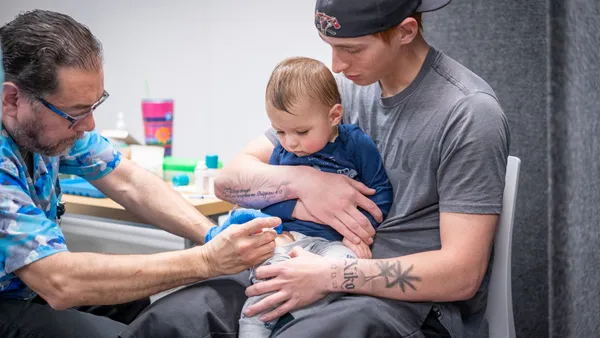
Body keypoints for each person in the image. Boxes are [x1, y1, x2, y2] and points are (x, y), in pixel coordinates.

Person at [123, 0, 510, 337]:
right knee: (173, 319)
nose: (337, 66)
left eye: (351, 49)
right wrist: (303, 181)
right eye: (331, 48)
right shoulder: (343, 89)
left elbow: (462, 274)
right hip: (299, 260)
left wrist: (328, 276)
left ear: (406, 31)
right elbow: (229, 181)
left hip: (407, 305)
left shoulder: (469, 113)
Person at [0, 10, 280, 338]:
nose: (89, 125)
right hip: (13, 298)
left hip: (31, 291)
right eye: (76, 113)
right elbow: (59, 282)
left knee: (136, 307)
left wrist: (210, 235)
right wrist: (207, 260)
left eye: (94, 106)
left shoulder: (50, 129)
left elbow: (129, 181)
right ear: (12, 99)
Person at [203, 56, 393, 337]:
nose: (290, 142)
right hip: (290, 240)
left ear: (334, 116)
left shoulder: (355, 145)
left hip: (335, 242)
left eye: (301, 132)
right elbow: (269, 203)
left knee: (344, 271)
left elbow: (380, 192)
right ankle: (254, 328)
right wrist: (297, 209)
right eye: (280, 131)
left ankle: (297, 320)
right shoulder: (283, 151)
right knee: (266, 285)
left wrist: (359, 233)